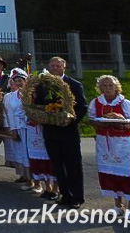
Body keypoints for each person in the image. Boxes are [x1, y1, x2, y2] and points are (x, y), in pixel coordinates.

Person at [88, 74, 130, 215]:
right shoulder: (95, 103)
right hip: (105, 143)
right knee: (110, 173)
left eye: (110, 86)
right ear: (100, 88)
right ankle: (118, 205)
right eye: (104, 86)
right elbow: (92, 121)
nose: (108, 89)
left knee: (128, 173)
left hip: (122, 143)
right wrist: (99, 122)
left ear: (116, 87)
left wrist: (120, 120)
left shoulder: (125, 103)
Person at [38, 56, 87, 208]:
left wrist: (71, 120)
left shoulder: (73, 84)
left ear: (64, 67)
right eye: (52, 66)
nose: (54, 68)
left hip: (68, 131)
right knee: (57, 165)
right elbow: (39, 105)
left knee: (73, 165)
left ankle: (77, 197)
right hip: (50, 130)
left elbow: (83, 106)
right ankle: (65, 195)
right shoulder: (43, 85)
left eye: (58, 66)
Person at [2, 68, 32, 188]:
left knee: (31, 153)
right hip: (18, 128)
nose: (18, 83)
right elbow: (9, 113)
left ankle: (35, 181)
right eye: (16, 81)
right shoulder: (11, 96)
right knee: (21, 153)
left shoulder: (30, 94)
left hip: (29, 128)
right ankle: (26, 177)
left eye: (21, 81)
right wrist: (12, 129)